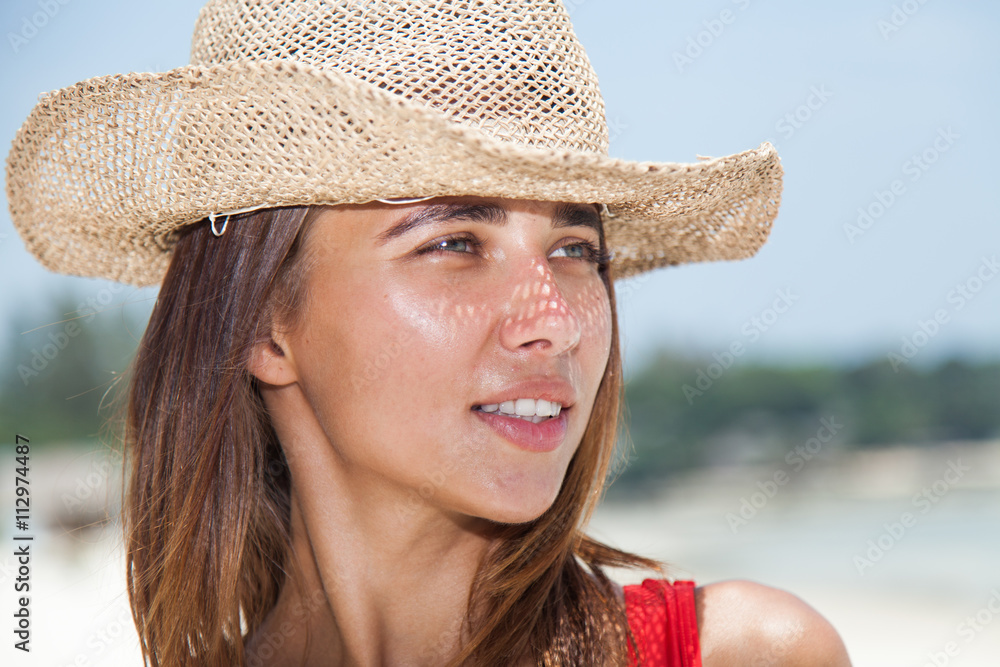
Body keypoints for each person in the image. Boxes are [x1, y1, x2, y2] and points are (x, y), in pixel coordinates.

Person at [6, 0, 851, 665]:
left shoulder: (747, 653)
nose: (554, 321)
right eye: (454, 243)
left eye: (574, 249)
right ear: (265, 323)